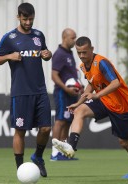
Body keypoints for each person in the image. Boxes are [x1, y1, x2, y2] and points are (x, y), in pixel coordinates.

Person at [52, 36, 128, 181]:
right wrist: (78, 103)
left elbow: (115, 83)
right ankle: (71, 146)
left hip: (120, 104)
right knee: (79, 111)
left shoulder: (101, 63)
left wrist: (96, 95)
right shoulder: (83, 66)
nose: (82, 56)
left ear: (91, 49)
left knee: (124, 142)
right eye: (79, 53)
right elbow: (91, 83)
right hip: (103, 100)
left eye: (84, 52)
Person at [0, 2, 52, 177]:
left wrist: (47, 55)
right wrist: (9, 56)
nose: (28, 22)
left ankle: (38, 157)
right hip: (21, 92)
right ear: (18, 17)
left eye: (31, 19)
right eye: (25, 19)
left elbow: (45, 53)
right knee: (20, 131)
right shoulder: (9, 38)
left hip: (40, 90)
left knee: (46, 128)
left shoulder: (38, 35)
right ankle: (20, 169)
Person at [51, 28, 81, 161]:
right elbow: (54, 75)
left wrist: (78, 86)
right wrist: (66, 88)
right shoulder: (59, 54)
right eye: (72, 38)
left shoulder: (69, 54)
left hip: (71, 94)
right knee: (60, 120)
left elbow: (70, 75)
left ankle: (64, 152)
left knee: (68, 122)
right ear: (65, 38)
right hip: (62, 93)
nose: (75, 41)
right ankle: (54, 152)